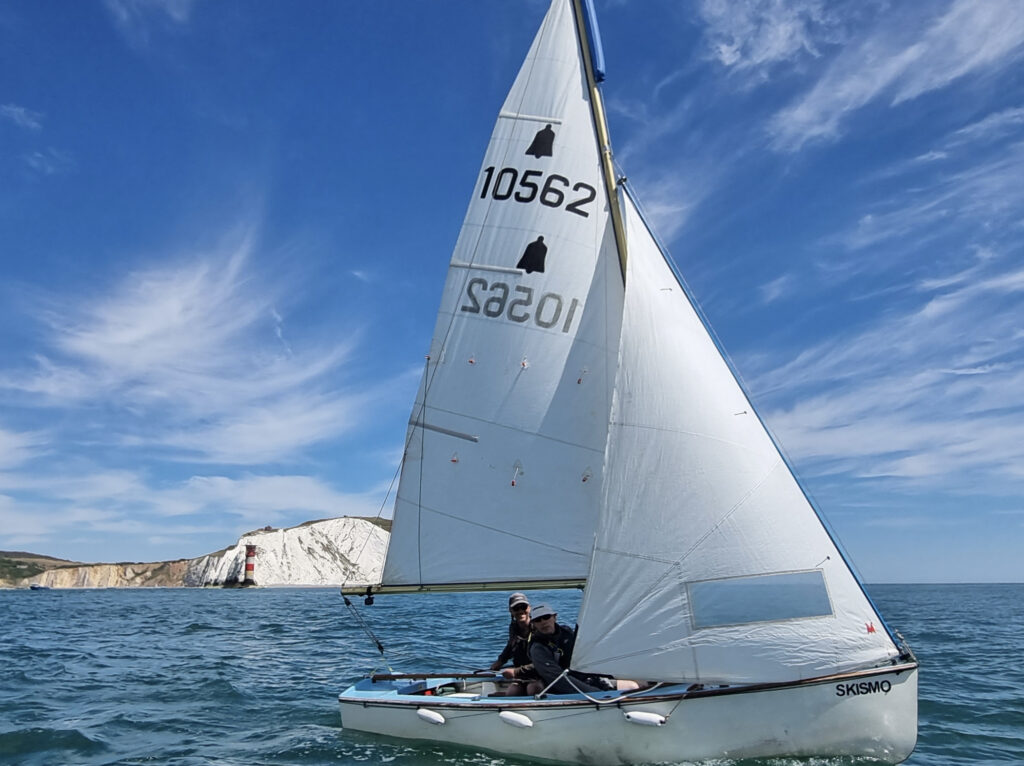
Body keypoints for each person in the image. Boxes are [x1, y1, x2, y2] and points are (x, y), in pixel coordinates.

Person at [527, 603, 639, 695]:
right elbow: (556, 678)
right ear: (533, 624)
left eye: (546, 617)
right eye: (538, 620)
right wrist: (594, 692)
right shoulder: (538, 648)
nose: (543, 622)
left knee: (635, 686)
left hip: (586, 677)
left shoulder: (567, 633)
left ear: (554, 617)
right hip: (561, 687)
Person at [488, 592, 537, 696]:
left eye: (523, 607)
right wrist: (500, 661)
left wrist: (515, 672)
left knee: (533, 688)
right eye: (516, 608)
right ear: (510, 611)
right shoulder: (513, 627)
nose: (520, 611)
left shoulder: (538, 627)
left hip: (538, 674)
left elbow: (542, 662)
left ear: (529, 608)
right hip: (522, 675)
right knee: (513, 691)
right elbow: (511, 645)